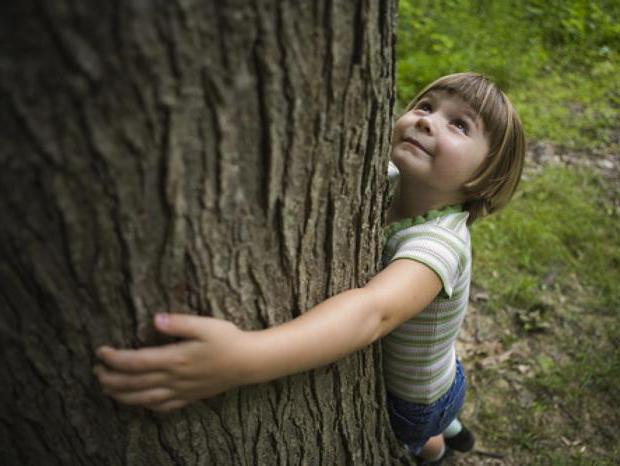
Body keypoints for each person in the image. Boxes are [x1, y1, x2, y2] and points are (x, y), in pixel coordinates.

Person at [94, 72, 525, 464]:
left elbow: (372, 311)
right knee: (442, 408)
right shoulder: (391, 177)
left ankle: (437, 444)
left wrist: (245, 357)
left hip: (415, 400)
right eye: (426, 106)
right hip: (440, 363)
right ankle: (454, 434)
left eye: (460, 125)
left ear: (484, 178)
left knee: (421, 433)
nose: (427, 121)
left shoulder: (439, 245)